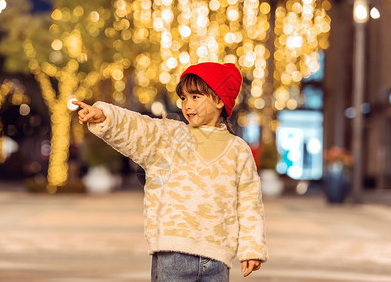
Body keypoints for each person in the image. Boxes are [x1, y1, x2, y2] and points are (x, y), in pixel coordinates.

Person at [73, 62, 268, 281]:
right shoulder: (168, 136)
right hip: (173, 254)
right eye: (183, 98)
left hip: (218, 257)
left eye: (195, 97)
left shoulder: (238, 150)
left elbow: (249, 202)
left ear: (219, 100)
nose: (187, 105)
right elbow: (138, 128)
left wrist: (251, 248)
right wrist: (105, 116)